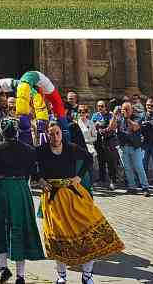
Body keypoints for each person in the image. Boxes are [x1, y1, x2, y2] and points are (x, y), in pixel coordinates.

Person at [36, 125, 123, 284]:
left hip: (73, 194)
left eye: (57, 133)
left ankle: (87, 274)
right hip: (53, 198)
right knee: (57, 236)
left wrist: (79, 177)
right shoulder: (40, 150)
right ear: (47, 135)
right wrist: (39, 179)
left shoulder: (71, 148)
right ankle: (61, 275)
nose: (55, 137)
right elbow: (29, 165)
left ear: (61, 134)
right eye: (51, 134)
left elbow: (89, 158)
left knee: (86, 229)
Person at [0, 118, 44, 284]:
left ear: (2, 132)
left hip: (1, 189)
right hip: (21, 190)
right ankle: (20, 276)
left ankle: (4, 268)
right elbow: (35, 172)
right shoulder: (29, 150)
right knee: (19, 229)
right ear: (16, 132)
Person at [116, 102, 150, 196]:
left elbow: (135, 127)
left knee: (139, 167)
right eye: (124, 109)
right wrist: (114, 116)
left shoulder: (138, 117)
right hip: (123, 147)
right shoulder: (119, 118)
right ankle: (132, 187)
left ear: (132, 110)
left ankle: (145, 187)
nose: (125, 111)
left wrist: (127, 118)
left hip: (135, 147)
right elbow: (112, 127)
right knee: (127, 168)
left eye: (127, 109)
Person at [92, 101, 120, 189]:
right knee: (101, 161)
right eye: (98, 106)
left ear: (105, 107)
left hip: (109, 141)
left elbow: (112, 127)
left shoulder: (110, 115)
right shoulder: (95, 115)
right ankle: (102, 179)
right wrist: (96, 127)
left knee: (111, 161)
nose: (100, 108)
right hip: (99, 141)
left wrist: (103, 129)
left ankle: (113, 180)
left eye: (102, 106)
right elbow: (92, 126)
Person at [76, 105, 99, 190]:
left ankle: (91, 183)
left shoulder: (90, 123)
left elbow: (95, 137)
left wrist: (88, 140)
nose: (82, 114)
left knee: (90, 166)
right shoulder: (76, 123)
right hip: (79, 148)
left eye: (83, 112)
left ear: (87, 113)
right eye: (80, 112)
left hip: (89, 146)